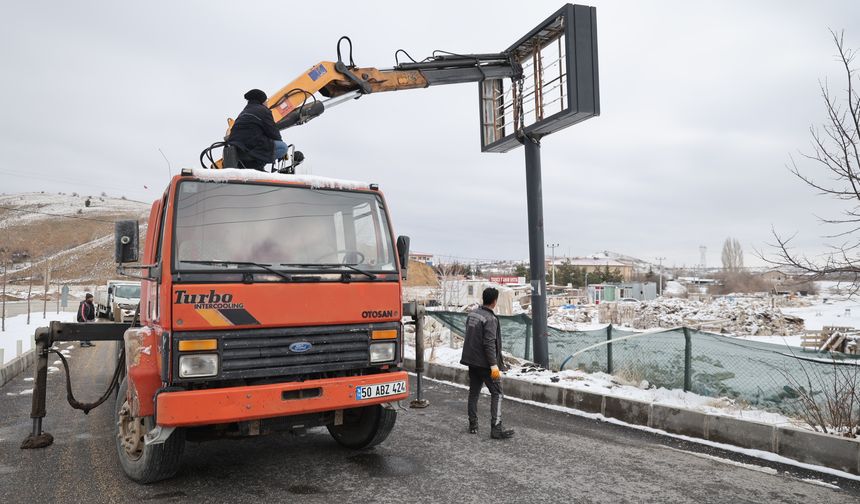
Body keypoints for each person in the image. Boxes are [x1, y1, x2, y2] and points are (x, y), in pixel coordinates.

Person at [460, 287, 515, 439]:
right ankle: (496, 428)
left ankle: (473, 425)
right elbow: (489, 343)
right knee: (497, 393)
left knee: (474, 393)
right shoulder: (490, 319)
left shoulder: (472, 314)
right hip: (485, 364)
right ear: (495, 301)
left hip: (472, 361)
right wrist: (494, 366)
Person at [226, 88, 289, 170]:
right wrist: (282, 152)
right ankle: (257, 167)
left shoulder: (244, 112)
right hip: (250, 148)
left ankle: (251, 166)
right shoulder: (264, 111)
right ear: (262, 101)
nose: (267, 103)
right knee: (283, 147)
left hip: (237, 149)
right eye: (266, 100)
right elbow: (273, 133)